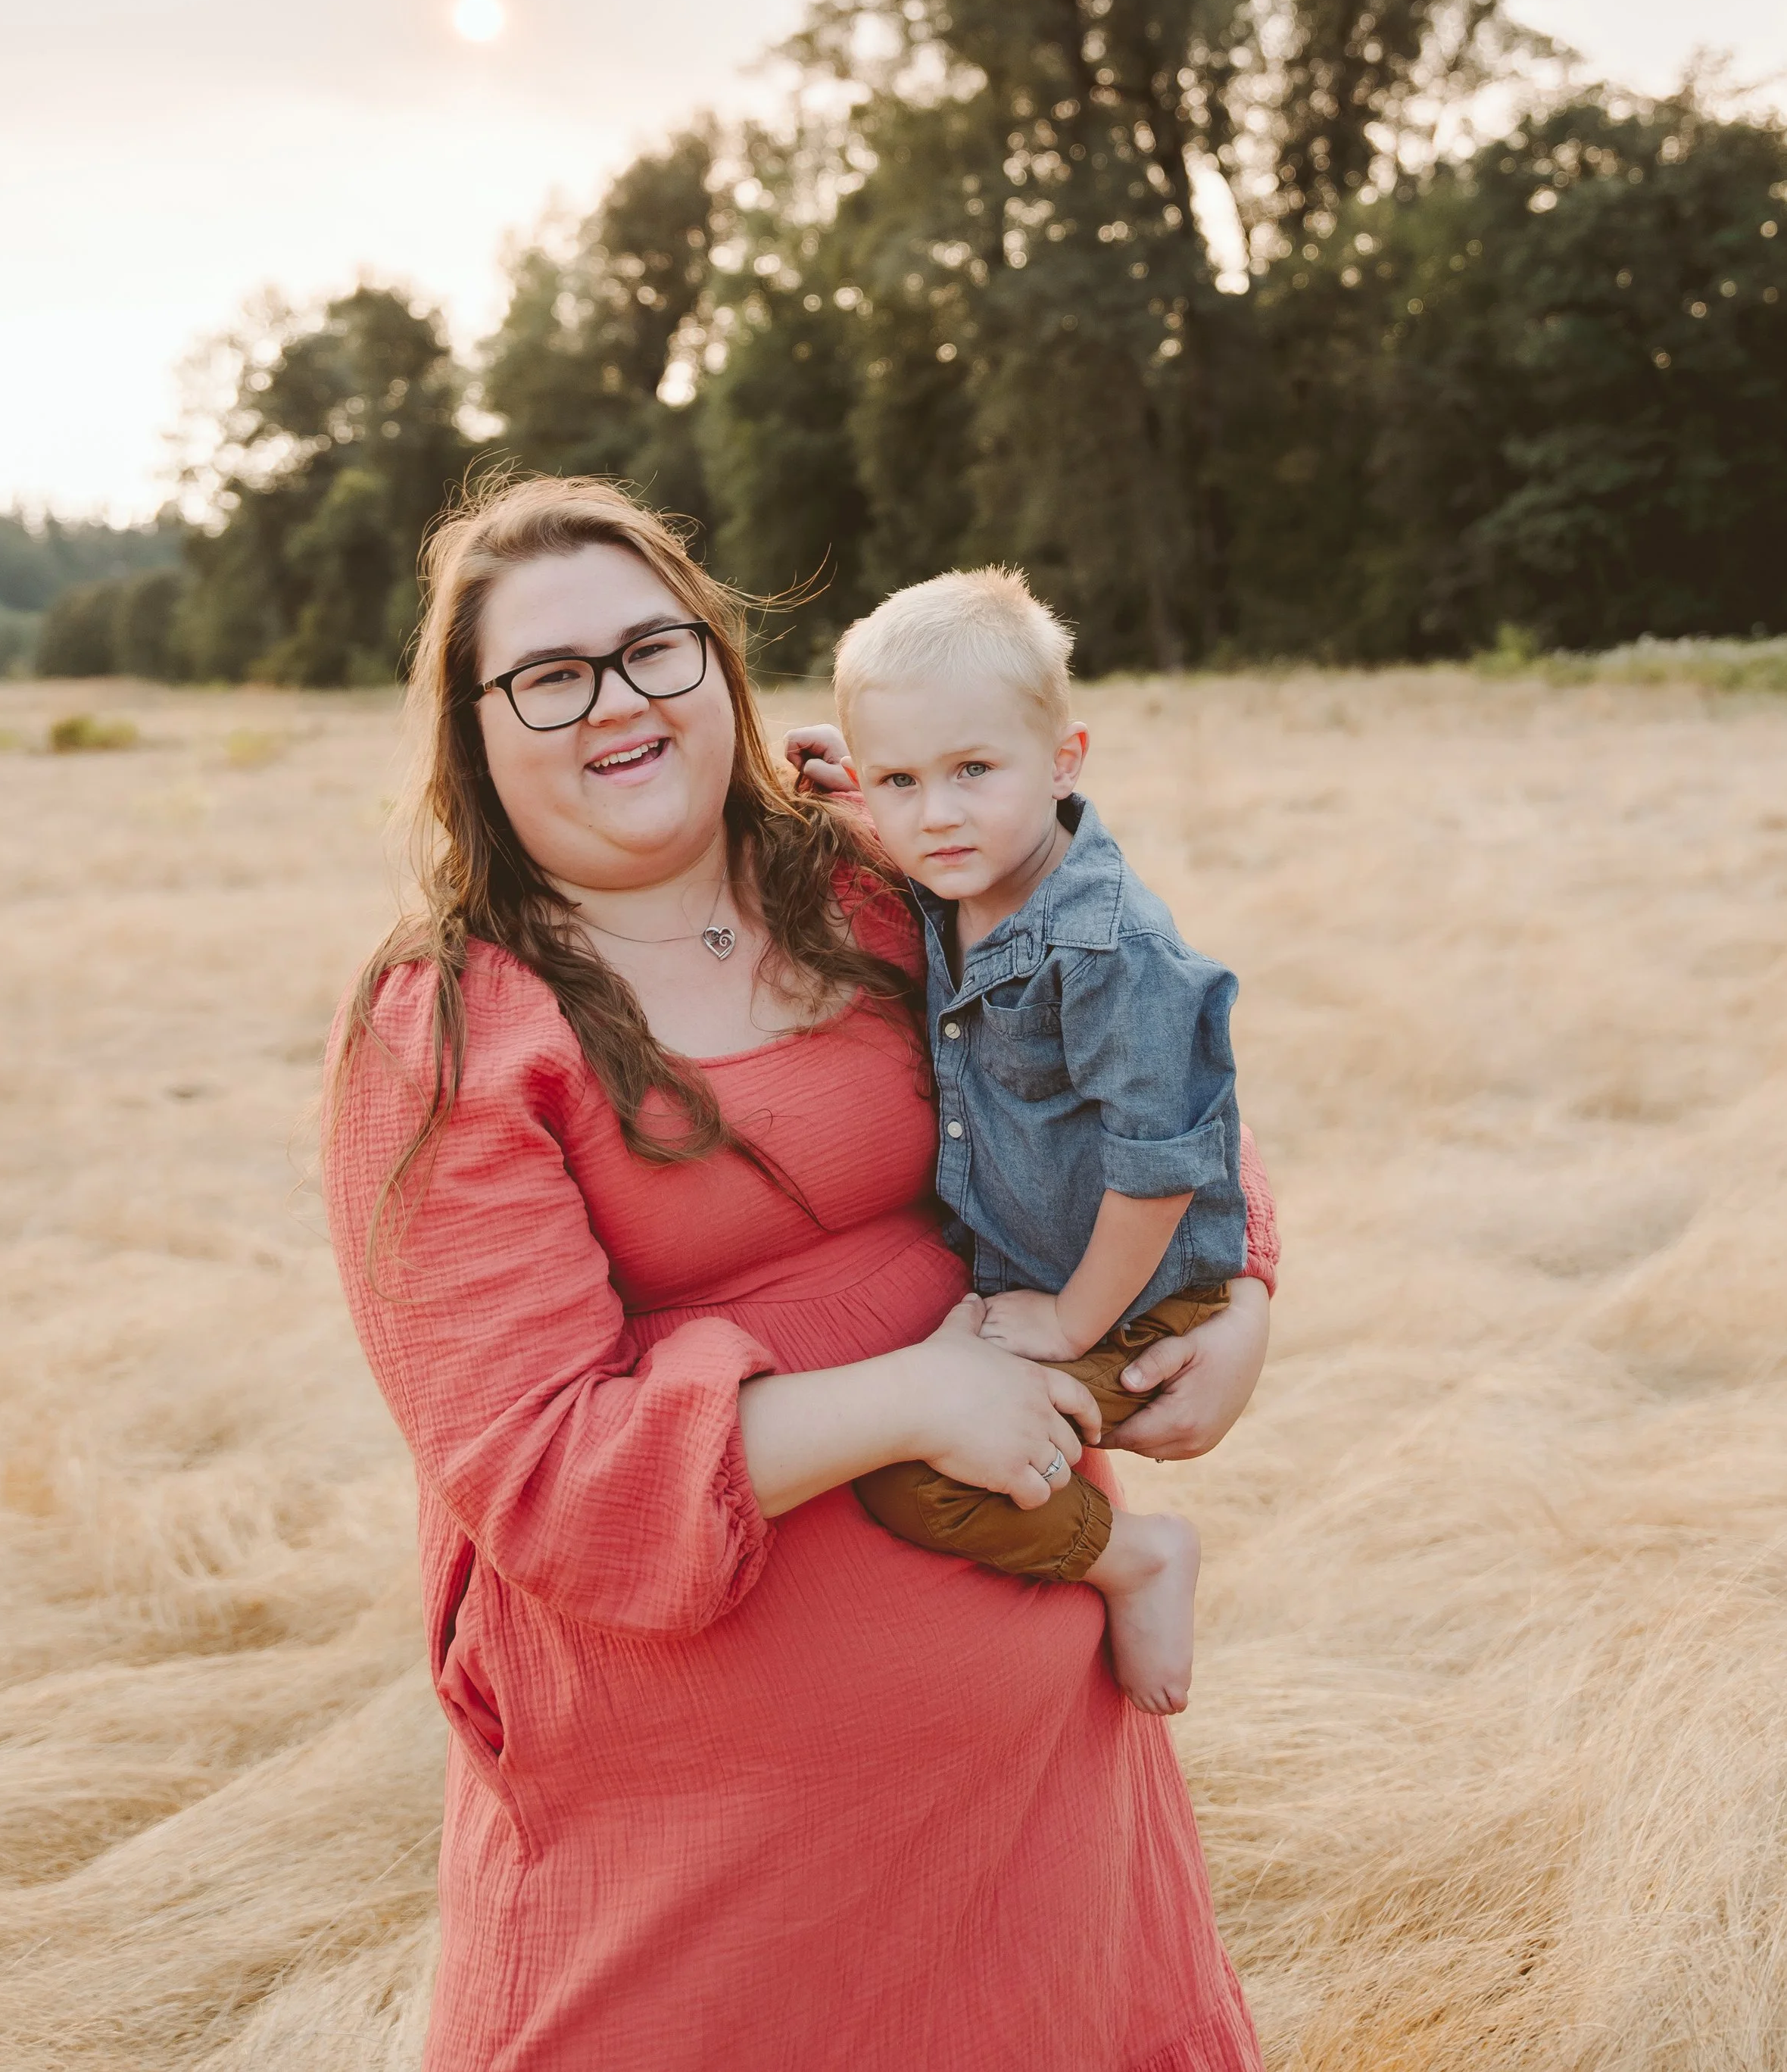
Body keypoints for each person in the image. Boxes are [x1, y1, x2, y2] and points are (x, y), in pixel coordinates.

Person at [323, 474, 1278, 2072]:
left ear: (721, 662)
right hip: (704, 1879)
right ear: (472, 732)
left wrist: (1241, 1282)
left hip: (1043, 1798)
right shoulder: (450, 1031)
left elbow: (1135, 1064)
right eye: (549, 676)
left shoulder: (868, 877)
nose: (616, 702)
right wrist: (914, 1396)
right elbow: (545, 1470)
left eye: (655, 649)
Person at [788, 566, 1243, 1716]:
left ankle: (1136, 1555)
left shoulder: (1104, 951)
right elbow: (924, 829)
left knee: (916, 1480)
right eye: (903, 779)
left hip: (1127, 1290)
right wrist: (856, 792)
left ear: (1065, 761)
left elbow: (1155, 1166)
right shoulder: (968, 863)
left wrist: (1072, 1321)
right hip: (1046, 1270)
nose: (936, 813)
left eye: (972, 770)